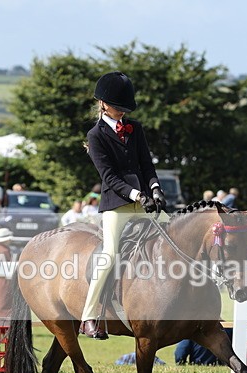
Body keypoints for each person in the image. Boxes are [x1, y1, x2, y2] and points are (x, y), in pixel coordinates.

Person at [80, 71, 166, 339]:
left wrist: (155, 188)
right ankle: (89, 316)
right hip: (117, 204)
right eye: (118, 108)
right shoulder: (95, 135)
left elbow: (146, 164)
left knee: (176, 237)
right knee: (109, 255)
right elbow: (109, 177)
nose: (122, 113)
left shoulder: (135, 128)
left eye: (124, 108)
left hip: (145, 200)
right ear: (103, 104)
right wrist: (136, 195)